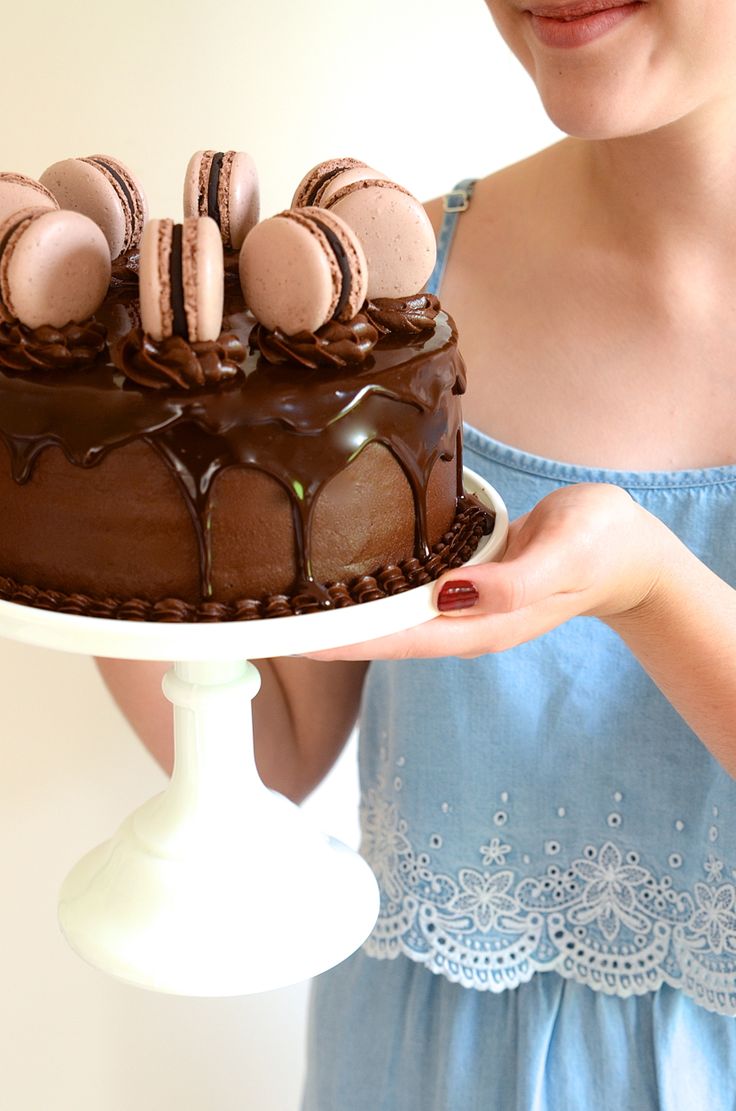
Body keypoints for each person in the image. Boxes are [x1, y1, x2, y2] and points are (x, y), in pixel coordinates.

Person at [98, 1, 736, 1106]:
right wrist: (106, 501)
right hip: (421, 1069)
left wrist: (651, 589)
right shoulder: (389, 303)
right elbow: (277, 749)